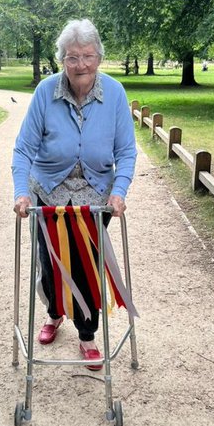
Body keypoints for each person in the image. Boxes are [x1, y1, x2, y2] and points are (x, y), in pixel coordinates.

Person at [11, 19, 136, 370]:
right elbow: (23, 149)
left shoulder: (114, 93)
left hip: (94, 198)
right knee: (50, 264)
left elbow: (126, 151)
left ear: (99, 57)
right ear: (61, 60)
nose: (81, 65)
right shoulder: (45, 92)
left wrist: (119, 192)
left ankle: (87, 335)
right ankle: (54, 313)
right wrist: (21, 193)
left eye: (88, 56)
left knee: (86, 267)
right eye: (72, 57)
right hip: (48, 194)